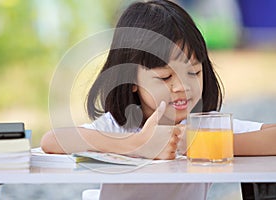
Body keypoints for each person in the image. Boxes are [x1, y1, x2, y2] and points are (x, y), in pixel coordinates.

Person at [41, 0, 276, 199]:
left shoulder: (205, 127)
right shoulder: (121, 127)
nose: (183, 86)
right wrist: (138, 144)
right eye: (165, 77)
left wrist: (197, 143)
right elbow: (53, 141)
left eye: (194, 72)